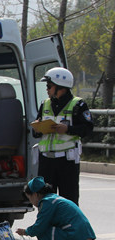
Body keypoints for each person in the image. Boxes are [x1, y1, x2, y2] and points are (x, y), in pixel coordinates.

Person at [33, 67, 94, 205]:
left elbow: (88, 128)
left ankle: (69, 227)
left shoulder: (78, 105)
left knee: (69, 201)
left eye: (49, 86)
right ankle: (48, 227)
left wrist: (68, 129)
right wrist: (38, 128)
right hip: (46, 160)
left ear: (61, 87)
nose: (47, 89)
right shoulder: (45, 104)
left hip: (67, 161)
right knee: (45, 201)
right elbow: (35, 131)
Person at [15, 176, 95, 240]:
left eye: (30, 198)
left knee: (43, 231)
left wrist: (26, 232)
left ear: (35, 194)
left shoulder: (47, 203)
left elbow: (39, 227)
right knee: (56, 229)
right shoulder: (54, 199)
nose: (31, 202)